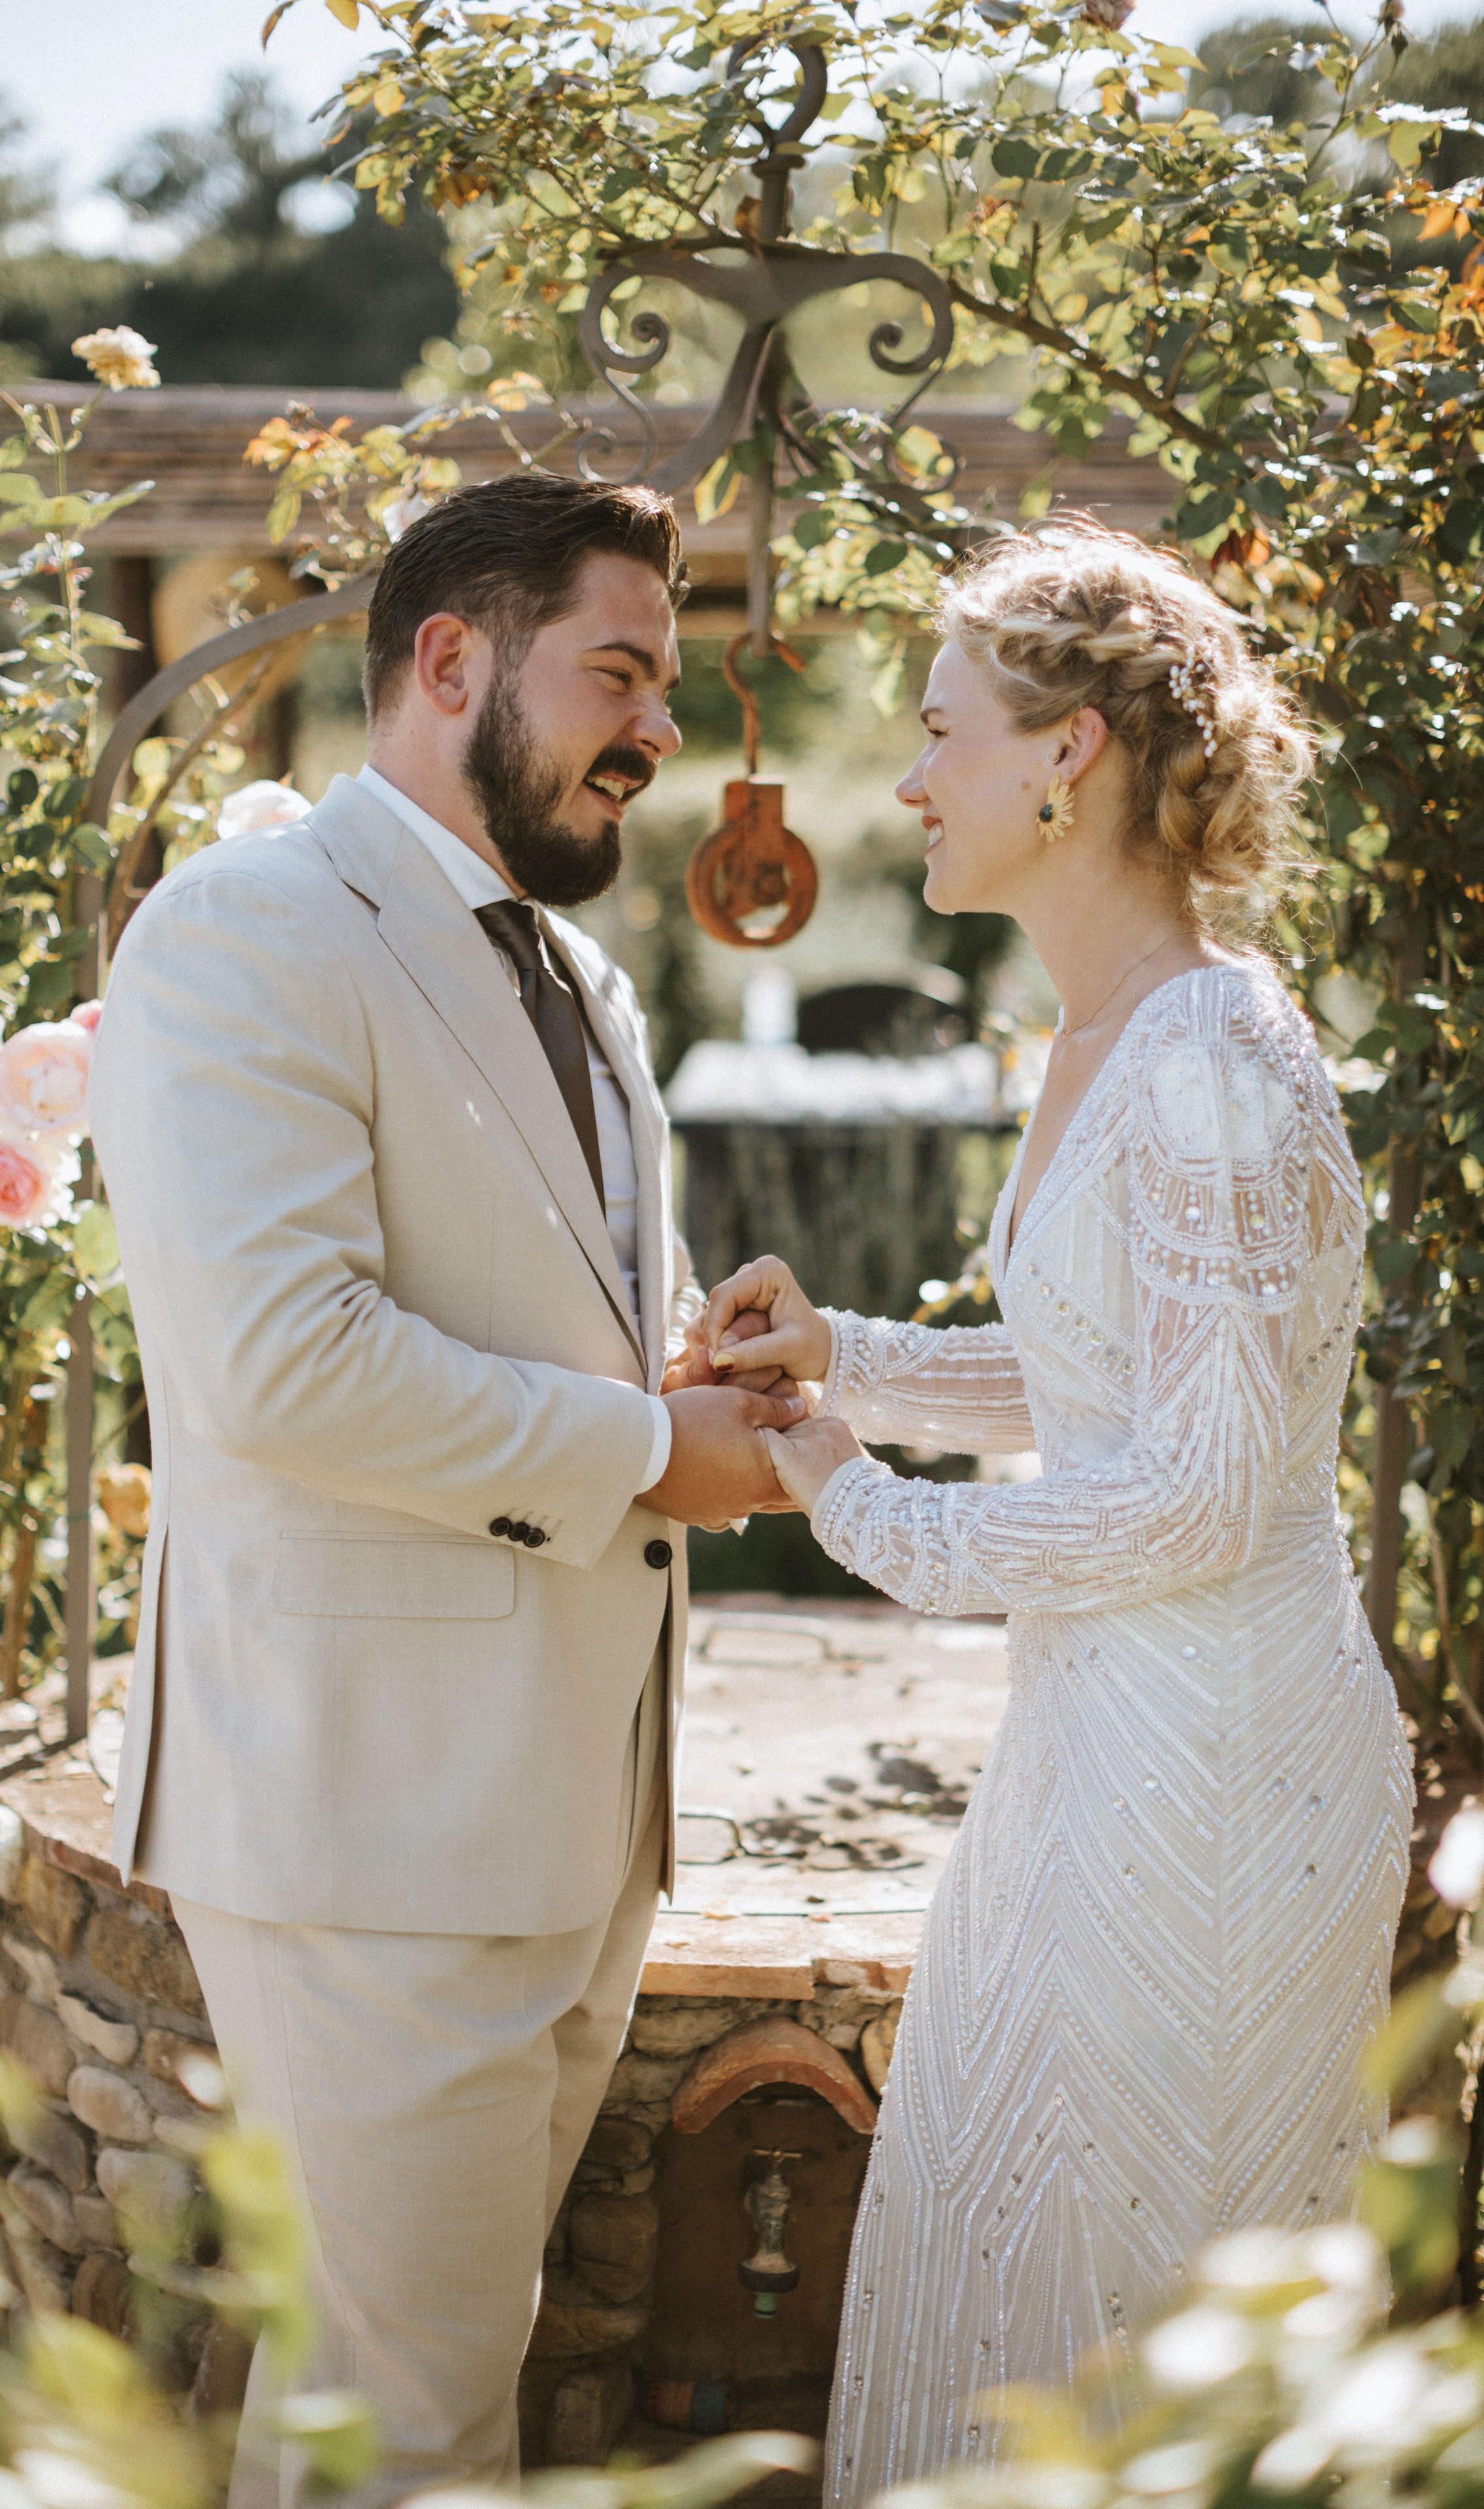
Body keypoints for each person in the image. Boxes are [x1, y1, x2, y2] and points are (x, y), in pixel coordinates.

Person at [87, 471, 801, 2508]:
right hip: (367, 1816)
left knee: (403, 2411)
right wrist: (653, 1448)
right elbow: (282, 1363)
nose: (659, 730)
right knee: (404, 2436)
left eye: (667, 682)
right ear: (451, 659)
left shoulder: (585, 981)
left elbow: (541, 1311)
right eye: (622, 671)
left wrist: (690, 1360)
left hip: (567, 1822)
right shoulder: (245, 930)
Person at [692, 523, 1414, 2492]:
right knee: (1002, 2265)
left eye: (941, 732)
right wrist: (839, 1353)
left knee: (1136, 2318)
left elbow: (1201, 1488)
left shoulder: (1211, 1065)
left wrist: (858, 1509)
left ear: (1067, 752)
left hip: (1229, 1775)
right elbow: (1119, 1378)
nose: (909, 782)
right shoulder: (1099, 1033)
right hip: (1106, 1742)